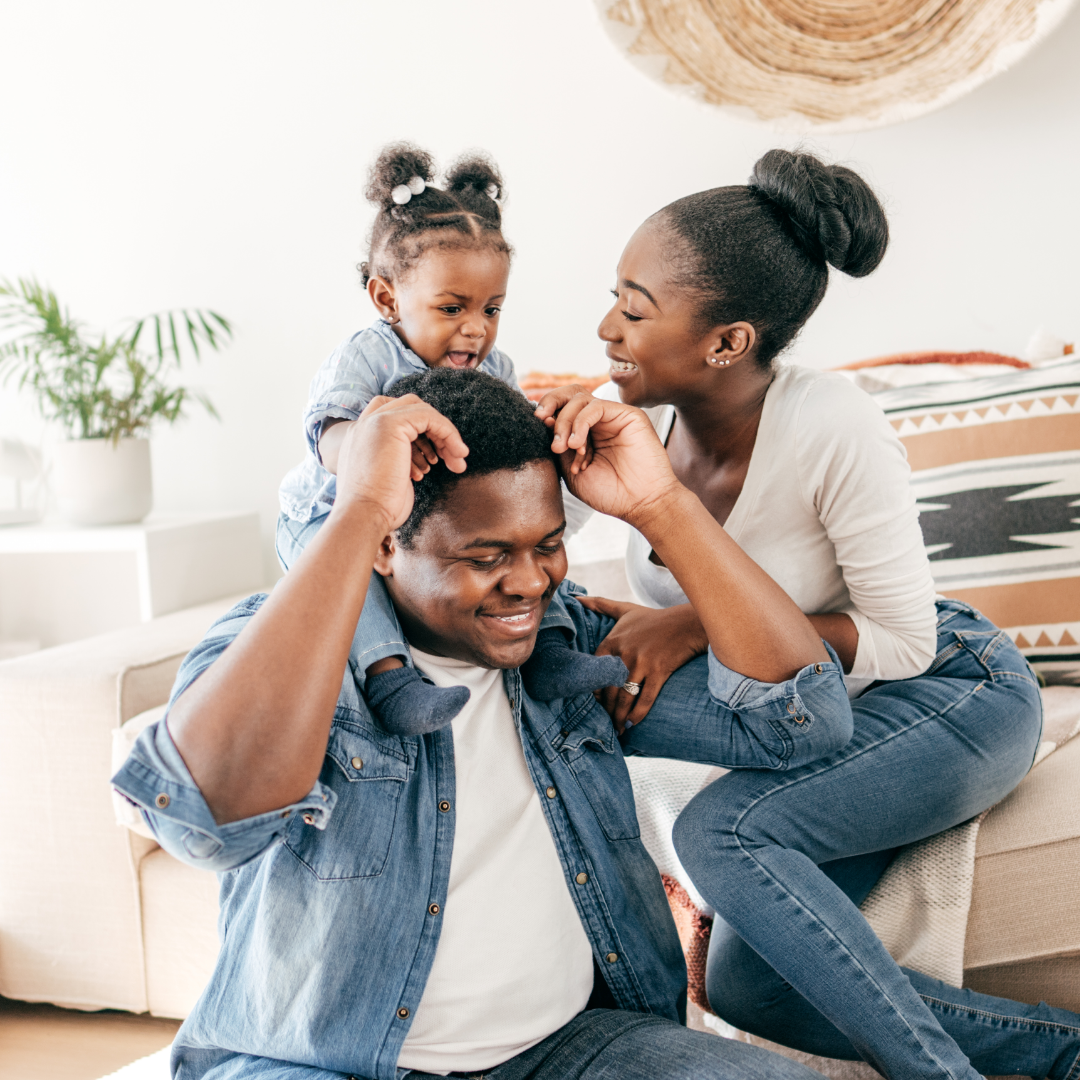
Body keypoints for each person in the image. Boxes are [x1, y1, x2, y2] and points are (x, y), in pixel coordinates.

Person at [111, 368, 851, 1080]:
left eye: (548, 545)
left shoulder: (569, 647)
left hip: (571, 1050)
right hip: (318, 1063)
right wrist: (359, 506)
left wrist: (663, 503)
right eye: (487, 556)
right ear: (385, 546)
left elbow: (805, 720)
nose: (530, 581)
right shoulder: (284, 646)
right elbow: (204, 822)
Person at [537, 149, 1080, 1080]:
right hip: (805, 709)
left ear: (727, 342)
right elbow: (510, 552)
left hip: (948, 692)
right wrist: (514, 429)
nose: (605, 327)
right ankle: (1061, 1057)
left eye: (634, 308)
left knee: (723, 834)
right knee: (754, 989)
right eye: (612, 298)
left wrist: (696, 619)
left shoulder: (832, 423)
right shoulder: (641, 424)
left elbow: (904, 639)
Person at [276, 142, 625, 738]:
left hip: (431, 524)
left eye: (492, 309)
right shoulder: (369, 355)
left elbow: (514, 449)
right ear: (388, 298)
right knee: (351, 580)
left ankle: (552, 653)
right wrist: (371, 457)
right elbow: (330, 435)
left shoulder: (494, 368)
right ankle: (390, 678)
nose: (475, 328)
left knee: (528, 552)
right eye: (452, 307)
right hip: (330, 510)